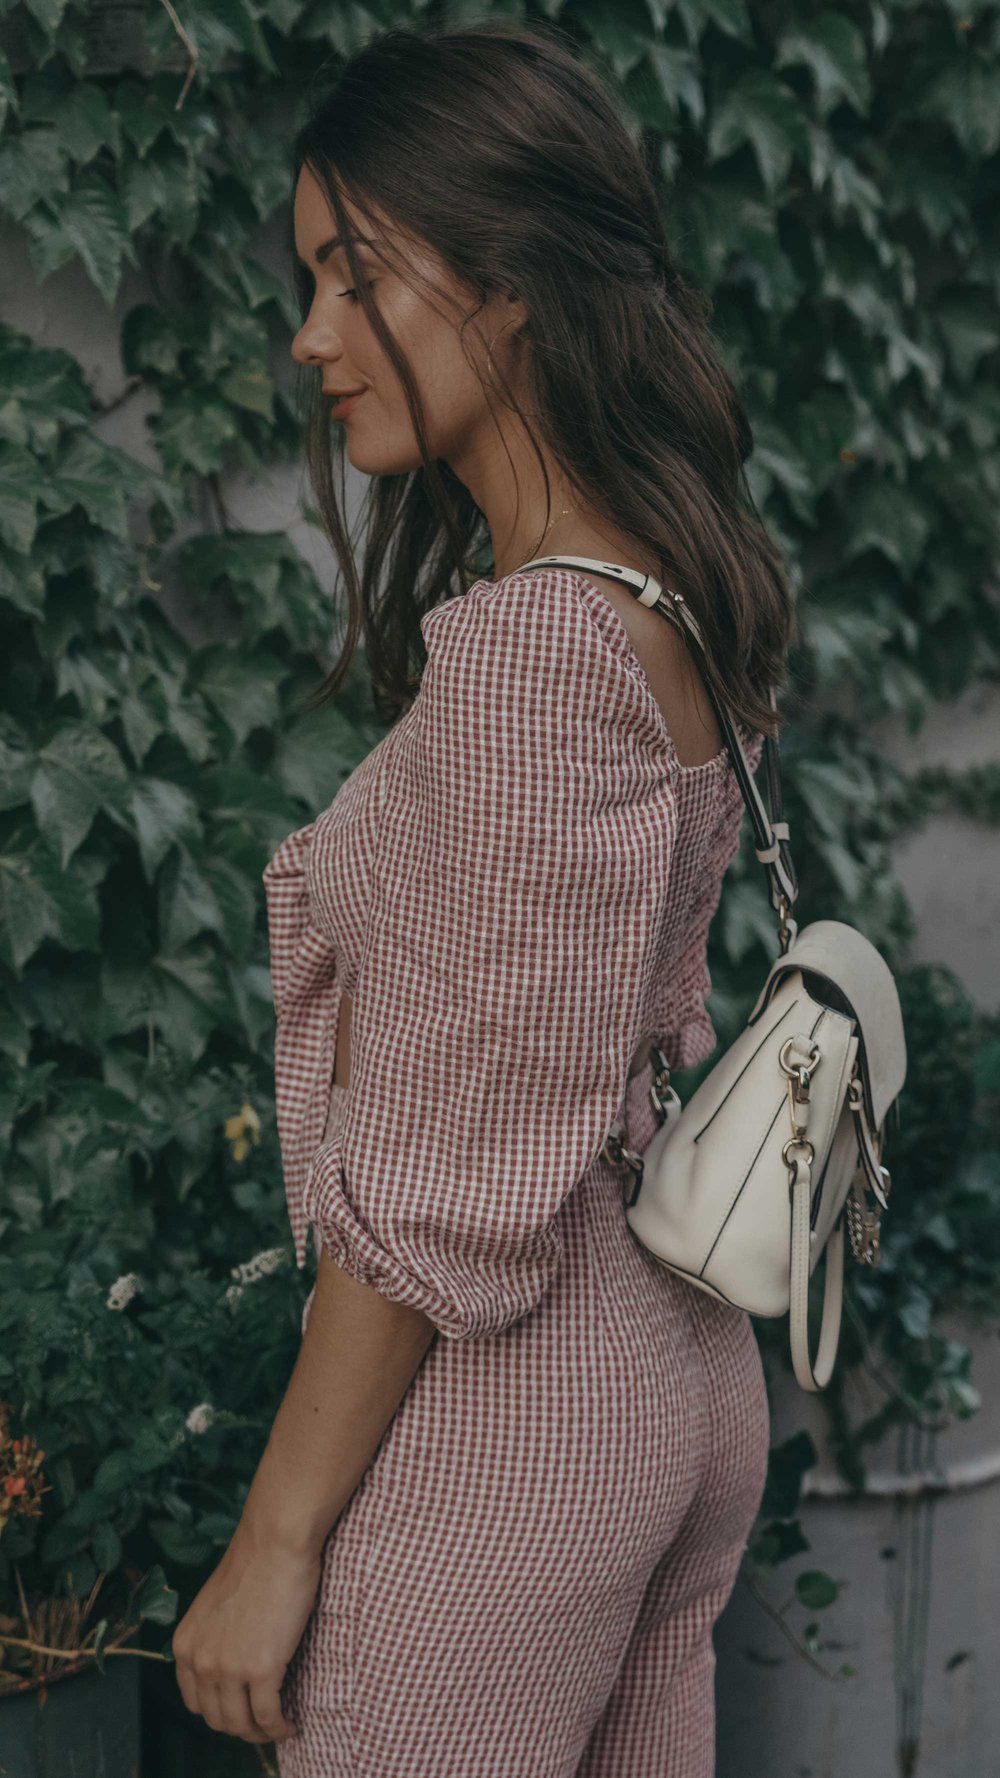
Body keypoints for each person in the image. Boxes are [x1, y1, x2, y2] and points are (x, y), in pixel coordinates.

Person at [171, 17, 795, 1775]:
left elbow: (451, 1165)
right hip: (679, 1366)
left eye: (353, 277)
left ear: (508, 288)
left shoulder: (532, 653)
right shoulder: (671, 593)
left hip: (513, 1420)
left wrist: (276, 1538)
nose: (311, 338)